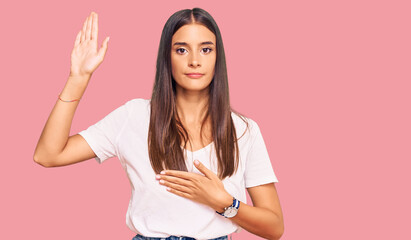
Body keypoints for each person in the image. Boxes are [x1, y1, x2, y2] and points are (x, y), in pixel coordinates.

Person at [33, 8, 284, 240]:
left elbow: (274, 227)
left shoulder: (243, 130)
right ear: (167, 56)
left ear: (218, 57)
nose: (195, 60)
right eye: (182, 50)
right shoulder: (133, 116)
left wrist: (226, 203)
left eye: (206, 49)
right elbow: (48, 154)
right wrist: (79, 78)